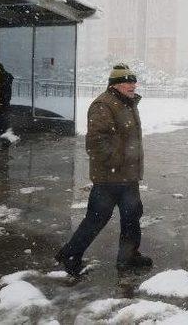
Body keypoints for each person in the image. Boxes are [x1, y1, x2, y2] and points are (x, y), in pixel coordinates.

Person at [56, 64, 152, 277]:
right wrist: (118, 161)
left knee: (132, 217)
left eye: (133, 81)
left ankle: (128, 256)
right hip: (110, 177)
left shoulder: (127, 104)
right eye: (127, 81)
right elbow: (96, 142)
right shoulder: (104, 105)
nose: (132, 85)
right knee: (96, 218)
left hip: (128, 176)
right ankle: (70, 254)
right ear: (115, 85)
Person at [0, 62, 14, 135]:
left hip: (1, 98)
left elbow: (1, 88)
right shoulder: (7, 76)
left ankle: (1, 130)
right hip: (5, 98)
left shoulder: (1, 76)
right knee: (3, 114)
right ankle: (4, 129)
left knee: (0, 114)